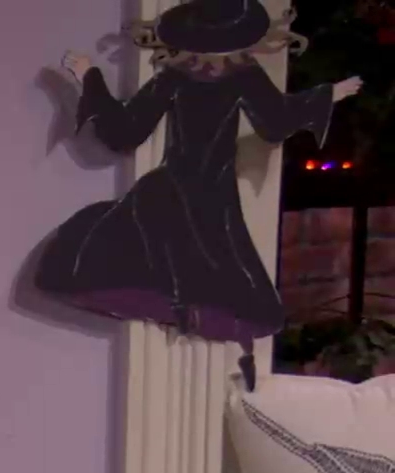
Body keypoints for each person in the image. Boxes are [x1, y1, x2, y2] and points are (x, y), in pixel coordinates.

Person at [36, 0, 359, 350]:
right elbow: (128, 130)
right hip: (179, 191)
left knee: (223, 280)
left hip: (199, 190)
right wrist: (89, 77)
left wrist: (328, 95)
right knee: (191, 268)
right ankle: (179, 313)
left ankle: (185, 315)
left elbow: (275, 120)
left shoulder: (234, 77)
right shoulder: (185, 78)